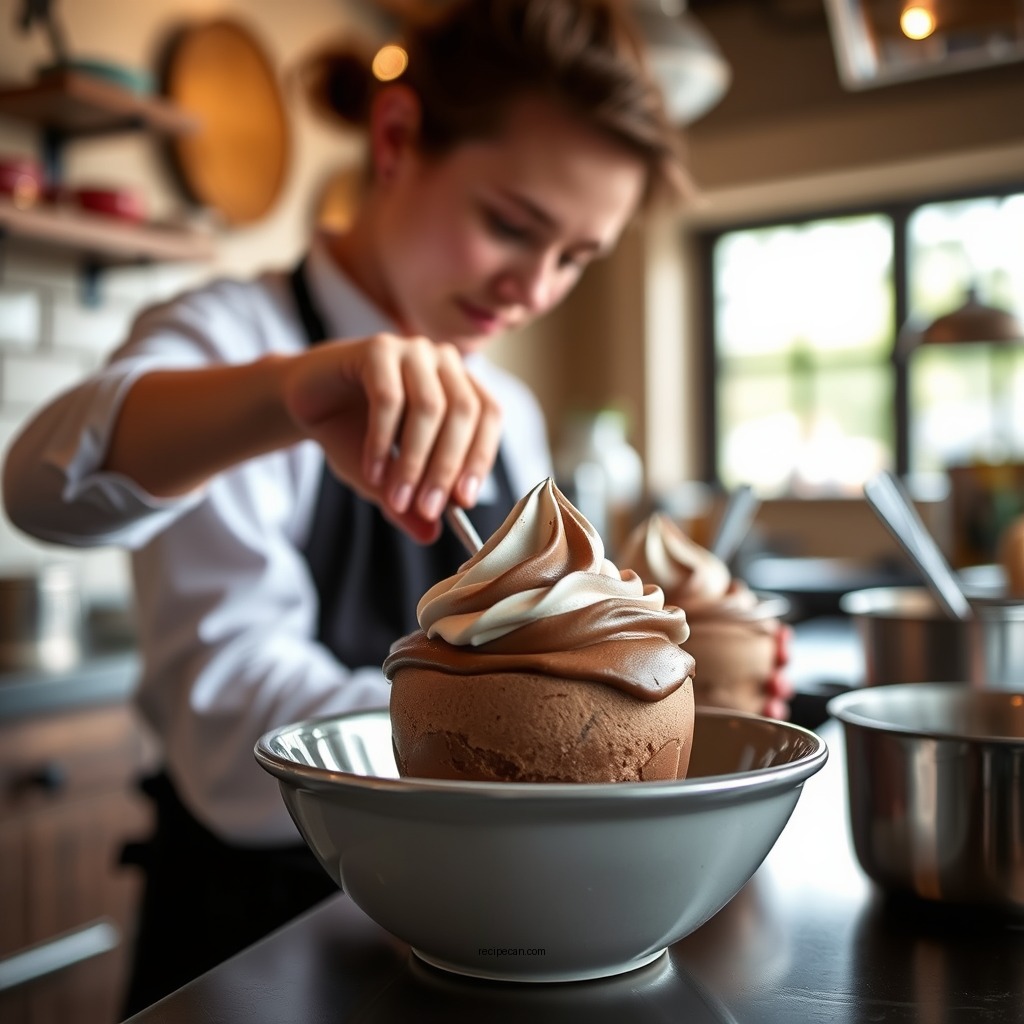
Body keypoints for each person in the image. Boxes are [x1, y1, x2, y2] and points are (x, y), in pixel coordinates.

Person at [2, 0, 788, 1012]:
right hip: (262, 944)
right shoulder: (231, 337)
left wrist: (655, 717)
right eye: (512, 225)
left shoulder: (508, 408)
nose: (534, 287)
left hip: (497, 933)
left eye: (575, 257)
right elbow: (50, 493)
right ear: (396, 138)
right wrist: (286, 395)